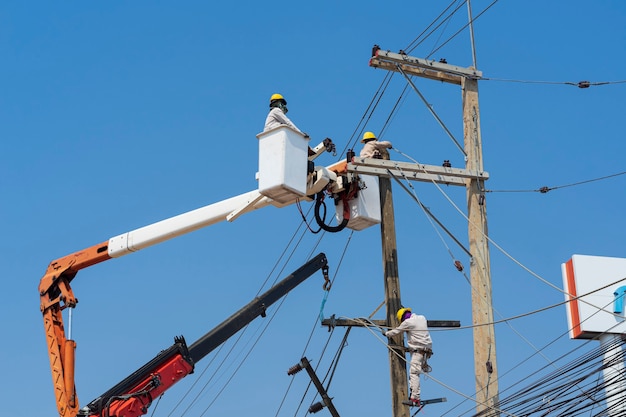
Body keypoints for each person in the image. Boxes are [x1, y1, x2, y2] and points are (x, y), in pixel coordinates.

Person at [384, 307, 433, 406]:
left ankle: (415, 398)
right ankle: (414, 394)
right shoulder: (422, 318)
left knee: (414, 373)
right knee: (416, 373)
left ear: (402, 318)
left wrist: (386, 333)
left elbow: (396, 331)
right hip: (427, 351)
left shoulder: (407, 323)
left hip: (418, 352)